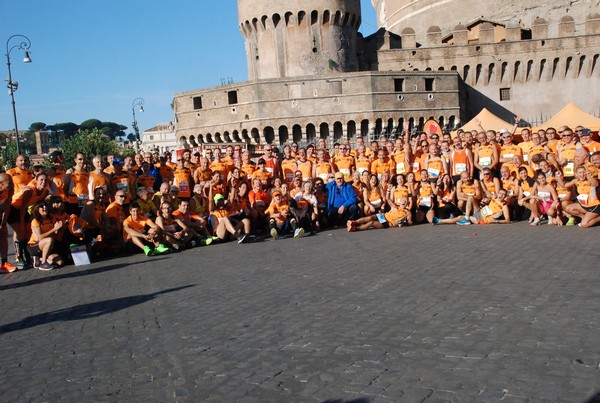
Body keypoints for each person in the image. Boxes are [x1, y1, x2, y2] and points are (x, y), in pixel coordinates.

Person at [27, 201, 65, 270]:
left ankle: (40, 258)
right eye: (42, 206)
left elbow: (54, 234)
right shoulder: (35, 221)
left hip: (48, 245)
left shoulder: (50, 219)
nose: (45, 207)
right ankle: (43, 264)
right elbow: (39, 238)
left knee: (60, 262)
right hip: (34, 245)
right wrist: (53, 229)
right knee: (49, 240)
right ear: (37, 209)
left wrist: (60, 228)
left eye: (45, 206)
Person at [347, 196, 411, 231]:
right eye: (403, 200)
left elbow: (410, 221)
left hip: (388, 223)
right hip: (383, 216)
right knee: (370, 217)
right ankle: (354, 222)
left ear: (407, 203)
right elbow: (388, 199)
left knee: (371, 223)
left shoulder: (407, 212)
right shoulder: (394, 206)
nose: (404, 202)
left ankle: (355, 228)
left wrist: (404, 223)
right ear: (399, 202)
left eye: (406, 201)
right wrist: (388, 190)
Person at [0, 174, 17, 272]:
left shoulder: (10, 189)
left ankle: (4, 262)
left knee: (3, 233)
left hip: (1, 209)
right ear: (1, 183)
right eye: (9, 182)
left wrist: (3, 222)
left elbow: (7, 206)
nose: (12, 184)